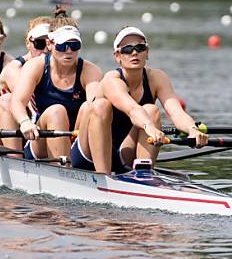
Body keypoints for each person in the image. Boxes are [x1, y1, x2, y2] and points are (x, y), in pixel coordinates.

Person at [71, 26, 207, 174]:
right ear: (117, 56)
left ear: (147, 53)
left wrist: (192, 130)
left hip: (124, 151)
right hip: (89, 154)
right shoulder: (111, 79)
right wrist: (150, 127)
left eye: (140, 48)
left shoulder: (157, 78)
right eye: (127, 49)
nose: (134, 52)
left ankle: (143, 176)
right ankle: (103, 177)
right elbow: (132, 109)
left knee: (152, 110)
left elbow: (177, 113)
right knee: (101, 105)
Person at [7, 14, 103, 159]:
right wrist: (24, 122)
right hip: (41, 139)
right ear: (50, 44)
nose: (69, 51)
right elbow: (17, 102)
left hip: (76, 136)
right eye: (63, 45)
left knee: (91, 107)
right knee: (57, 111)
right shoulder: (36, 66)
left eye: (74, 45)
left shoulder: (90, 71)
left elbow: (94, 109)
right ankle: (63, 168)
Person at [0, 16, 51, 138]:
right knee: (7, 100)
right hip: (2, 136)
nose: (45, 50)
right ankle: (14, 156)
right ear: (28, 43)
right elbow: (32, 109)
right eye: (39, 44)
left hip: (33, 131)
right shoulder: (15, 69)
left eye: (49, 44)